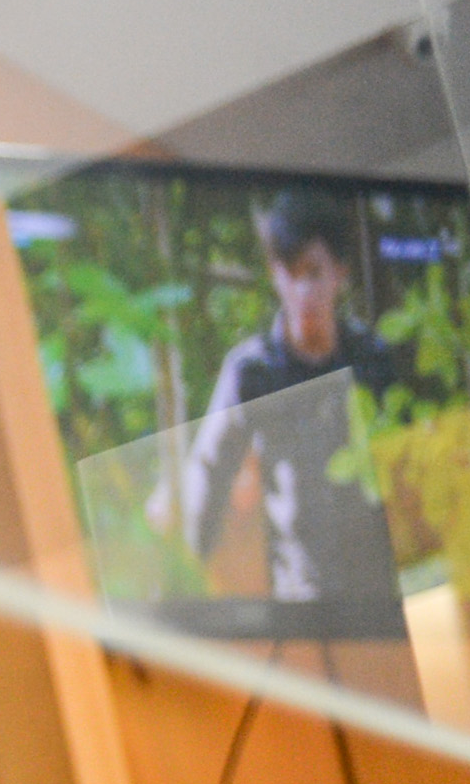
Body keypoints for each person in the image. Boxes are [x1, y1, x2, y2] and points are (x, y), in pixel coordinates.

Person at [162, 189, 410, 621]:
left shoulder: (371, 357)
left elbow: (412, 464)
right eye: (289, 272)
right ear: (275, 276)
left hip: (379, 598)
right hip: (301, 602)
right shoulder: (251, 371)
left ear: (339, 273)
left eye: (314, 272)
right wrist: (193, 583)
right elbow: (209, 470)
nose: (303, 289)